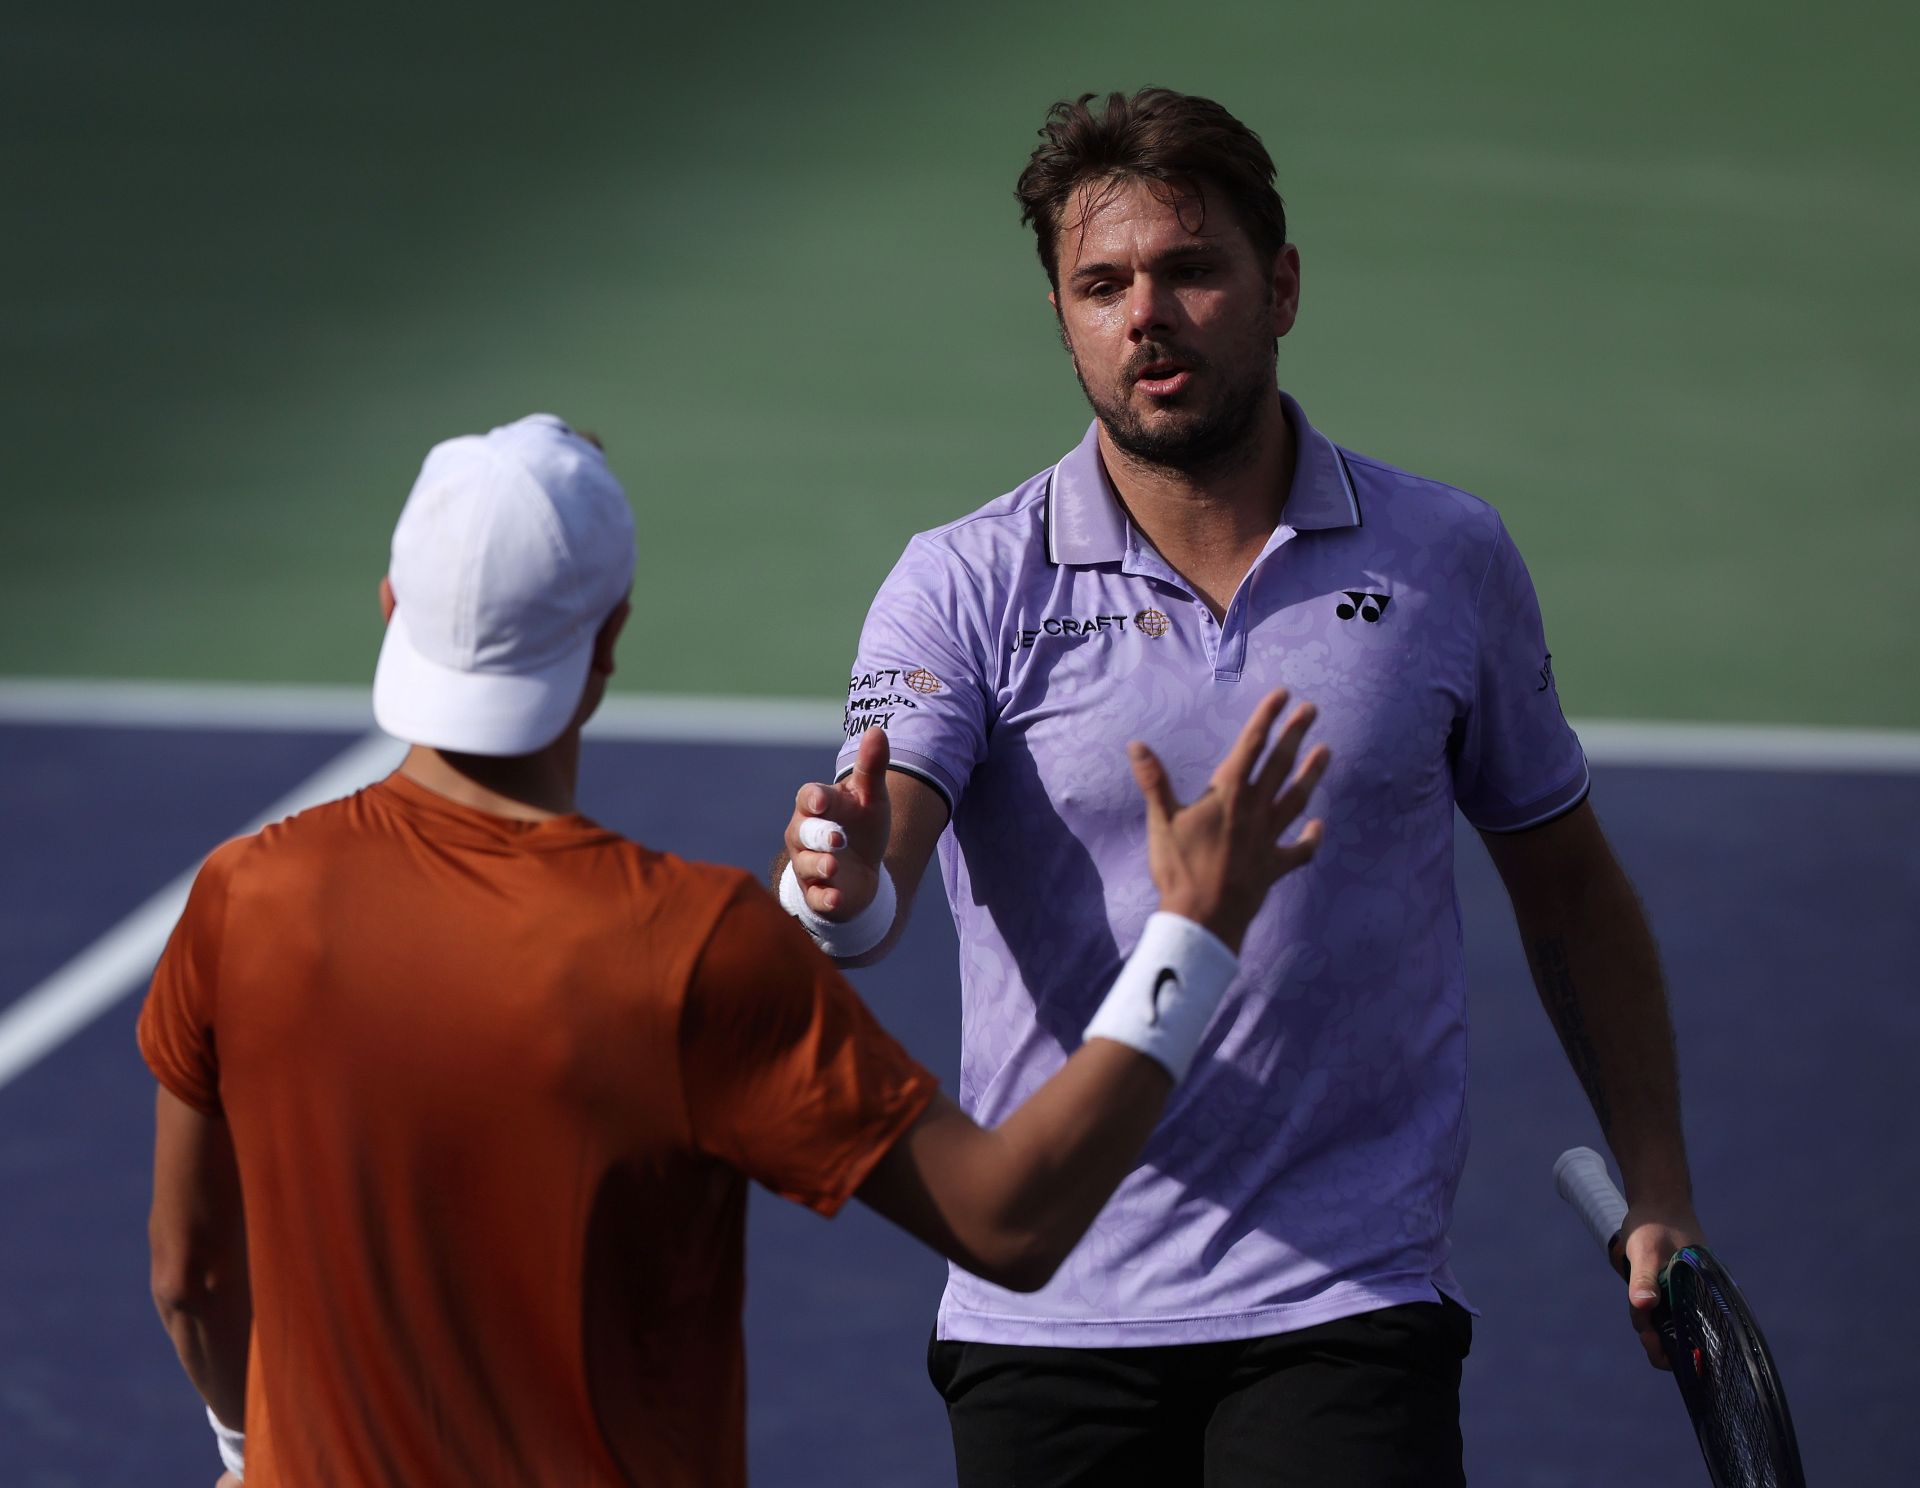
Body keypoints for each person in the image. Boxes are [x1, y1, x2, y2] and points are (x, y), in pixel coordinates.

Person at [776, 88, 1702, 1485]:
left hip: (1343, 1300)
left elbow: (1567, 889)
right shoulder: (960, 585)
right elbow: (869, 890)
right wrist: (835, 883)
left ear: (1278, 287)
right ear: (1063, 318)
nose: (1145, 314)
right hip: (1048, 1318)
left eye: (1187, 270)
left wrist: (1662, 1188)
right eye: (1101, 285)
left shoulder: (1449, 559)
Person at [138, 412, 1330, 1487]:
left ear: (391, 607)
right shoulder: (691, 950)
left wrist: (251, 1451)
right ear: (609, 642)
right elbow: (1010, 1223)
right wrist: (1197, 933)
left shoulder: (240, 901)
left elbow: (190, 1278)